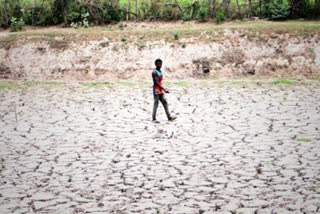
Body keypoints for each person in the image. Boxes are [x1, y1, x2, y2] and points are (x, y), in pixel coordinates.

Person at [152, 59, 176, 123]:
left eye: (160, 64)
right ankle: (154, 119)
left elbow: (160, 81)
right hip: (156, 89)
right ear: (155, 64)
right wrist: (164, 89)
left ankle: (169, 117)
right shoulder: (154, 72)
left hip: (160, 89)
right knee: (156, 104)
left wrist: (162, 89)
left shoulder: (160, 71)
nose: (159, 65)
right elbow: (156, 82)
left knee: (165, 102)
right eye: (158, 64)